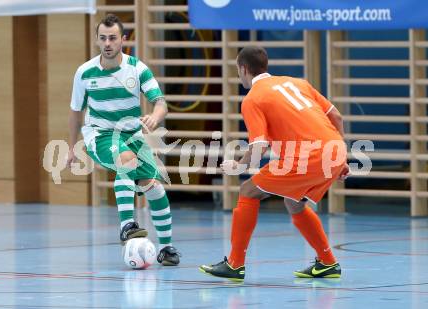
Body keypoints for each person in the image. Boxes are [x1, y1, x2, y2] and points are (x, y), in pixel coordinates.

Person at [199, 46, 349, 281]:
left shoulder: (253, 99)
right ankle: (328, 263)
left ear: (243, 69)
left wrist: (238, 166)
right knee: (294, 203)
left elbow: (258, 146)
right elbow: (337, 116)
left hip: (308, 156)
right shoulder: (297, 83)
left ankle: (235, 264)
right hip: (336, 149)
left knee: (248, 191)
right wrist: (341, 158)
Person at [67, 14, 180, 266]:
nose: (107, 43)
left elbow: (160, 103)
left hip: (132, 134)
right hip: (100, 134)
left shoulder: (137, 68)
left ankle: (167, 248)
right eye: (103, 38)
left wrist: (154, 116)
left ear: (123, 40)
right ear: (97, 40)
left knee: (154, 186)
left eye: (113, 38)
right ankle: (127, 225)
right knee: (126, 160)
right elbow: (75, 112)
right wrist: (72, 147)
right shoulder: (84, 72)